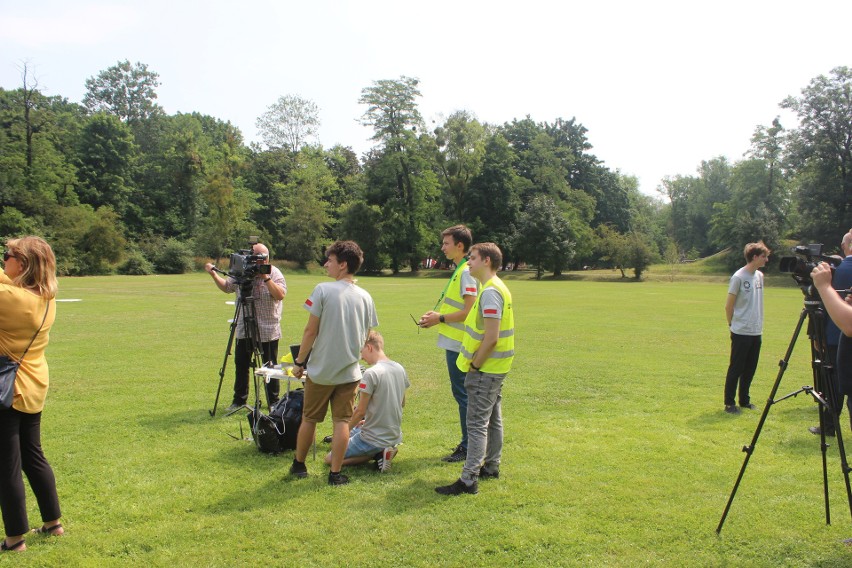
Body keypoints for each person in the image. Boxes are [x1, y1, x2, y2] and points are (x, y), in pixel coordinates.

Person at [289, 241, 378, 486]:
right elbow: (367, 333)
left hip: (321, 370)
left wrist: (299, 361)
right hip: (349, 371)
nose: (326, 264)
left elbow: (310, 331)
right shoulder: (366, 296)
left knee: (309, 418)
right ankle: (335, 474)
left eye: (329, 260)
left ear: (343, 264)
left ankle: (299, 465)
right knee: (341, 422)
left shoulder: (322, 289)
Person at [0, 237, 63, 553]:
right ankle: (53, 523)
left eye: (7, 255)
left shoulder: (9, 297)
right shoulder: (47, 296)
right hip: (34, 383)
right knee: (33, 455)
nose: (4, 260)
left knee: (7, 464)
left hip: (8, 389)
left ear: (22, 264)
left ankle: (14, 540)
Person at [436, 243, 514, 496]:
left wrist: (475, 365)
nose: (468, 263)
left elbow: (491, 337)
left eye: (473, 258)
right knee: (493, 418)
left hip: (486, 368)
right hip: (497, 367)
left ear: (487, 261)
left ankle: (468, 480)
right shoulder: (493, 287)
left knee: (477, 423)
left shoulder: (491, 292)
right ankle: (491, 466)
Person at [418, 225, 478, 463]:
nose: (442, 248)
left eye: (446, 243)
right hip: (455, 342)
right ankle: (470, 444)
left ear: (459, 246)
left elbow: (469, 310)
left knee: (463, 394)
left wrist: (439, 318)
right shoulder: (462, 269)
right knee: (463, 394)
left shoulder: (465, 271)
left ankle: (468, 446)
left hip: (459, 344)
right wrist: (437, 315)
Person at [204, 243, 286, 411]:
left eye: (257, 257)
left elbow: (280, 295)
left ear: (266, 258)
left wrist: (266, 277)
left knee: (270, 366)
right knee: (241, 364)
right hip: (244, 325)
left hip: (267, 327)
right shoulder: (241, 272)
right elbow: (227, 287)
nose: (252, 261)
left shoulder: (274, 272)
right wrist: (214, 275)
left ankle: (274, 401)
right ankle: (239, 401)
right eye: (251, 256)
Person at [323, 331, 409, 473]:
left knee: (330, 458)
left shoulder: (371, 373)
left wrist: (343, 433)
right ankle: (384, 450)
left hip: (373, 438)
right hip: (394, 434)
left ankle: (377, 454)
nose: (361, 357)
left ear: (369, 347)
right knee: (349, 434)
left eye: (361, 352)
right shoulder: (399, 368)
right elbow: (401, 403)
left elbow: (360, 412)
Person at [809, 230, 852, 437]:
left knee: (833, 383)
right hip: (841, 334)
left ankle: (829, 425)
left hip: (837, 334)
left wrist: (824, 286)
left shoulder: (839, 269)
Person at [723, 242, 770, 414]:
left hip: (756, 330)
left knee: (750, 368)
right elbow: (729, 306)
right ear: (755, 257)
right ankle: (729, 403)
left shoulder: (760, 276)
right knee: (736, 367)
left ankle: (744, 400)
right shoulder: (738, 277)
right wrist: (732, 324)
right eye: (764, 256)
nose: (767, 259)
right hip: (741, 330)